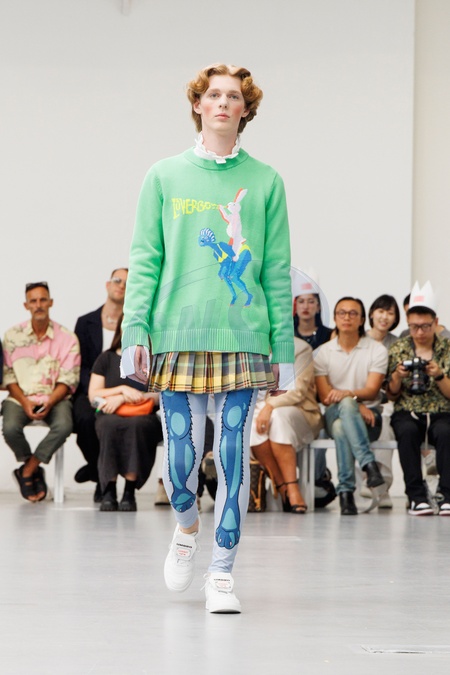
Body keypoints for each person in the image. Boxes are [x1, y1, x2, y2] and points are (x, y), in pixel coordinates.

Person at [120, 63, 294, 613]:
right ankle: (187, 526)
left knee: (233, 455)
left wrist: (283, 348)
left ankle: (221, 571)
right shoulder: (163, 176)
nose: (223, 103)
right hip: (176, 334)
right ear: (197, 104)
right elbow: (145, 258)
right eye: (213, 94)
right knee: (181, 462)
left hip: (244, 335)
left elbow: (277, 269)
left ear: (246, 109)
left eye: (233, 96)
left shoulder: (266, 181)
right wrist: (135, 329)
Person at [1, 282, 80, 502]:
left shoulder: (67, 338)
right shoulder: (12, 336)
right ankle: (32, 466)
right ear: (26, 305)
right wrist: (25, 402)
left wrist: (50, 401)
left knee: (64, 425)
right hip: (20, 397)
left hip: (56, 397)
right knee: (10, 428)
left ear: (50, 302)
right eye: (33, 301)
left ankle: (27, 470)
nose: (38, 305)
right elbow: (8, 376)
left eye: (43, 300)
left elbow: (69, 378)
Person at [314, 297, 387, 515]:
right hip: (334, 412)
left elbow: (372, 391)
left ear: (362, 319)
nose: (347, 317)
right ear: (335, 318)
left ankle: (346, 493)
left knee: (340, 427)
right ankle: (369, 465)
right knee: (343, 409)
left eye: (353, 313)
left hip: (370, 418)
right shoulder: (323, 352)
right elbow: (325, 397)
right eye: (342, 313)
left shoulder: (376, 350)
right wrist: (354, 403)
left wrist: (350, 399)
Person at [386, 281, 450, 516]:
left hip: (442, 410)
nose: (420, 333)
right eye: (414, 327)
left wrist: (439, 375)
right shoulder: (399, 348)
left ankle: (447, 495)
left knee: (446, 432)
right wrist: (397, 375)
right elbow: (391, 393)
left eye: (425, 327)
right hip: (408, 409)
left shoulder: (447, 348)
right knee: (407, 431)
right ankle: (416, 496)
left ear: (435, 322)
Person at [88, 314, 162, 511]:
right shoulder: (106, 358)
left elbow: (159, 396)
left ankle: (130, 491)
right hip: (110, 414)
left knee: (137, 426)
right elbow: (93, 395)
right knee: (108, 425)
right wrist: (121, 390)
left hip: (143, 416)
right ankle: (109, 489)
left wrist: (124, 398)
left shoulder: (153, 358)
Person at [73, 268, 128, 501]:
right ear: (108, 285)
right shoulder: (85, 322)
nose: (122, 285)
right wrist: (96, 392)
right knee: (85, 419)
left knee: (122, 423)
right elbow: (80, 364)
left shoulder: (134, 323)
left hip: (125, 392)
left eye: (127, 282)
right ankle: (99, 473)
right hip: (92, 391)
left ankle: (104, 478)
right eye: (117, 280)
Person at [250, 336, 323, 513]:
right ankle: (282, 485)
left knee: (278, 417)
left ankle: (291, 487)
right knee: (251, 423)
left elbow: (297, 390)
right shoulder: (250, 343)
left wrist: (269, 406)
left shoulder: (300, 348)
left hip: (298, 410)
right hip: (257, 408)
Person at [362, 293, 401, 508]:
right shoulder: (360, 339)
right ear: (371, 314)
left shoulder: (397, 344)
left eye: (390, 313)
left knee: (385, 423)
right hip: (361, 400)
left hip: (387, 401)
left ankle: (382, 485)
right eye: (381, 311)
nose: (385, 317)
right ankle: (368, 483)